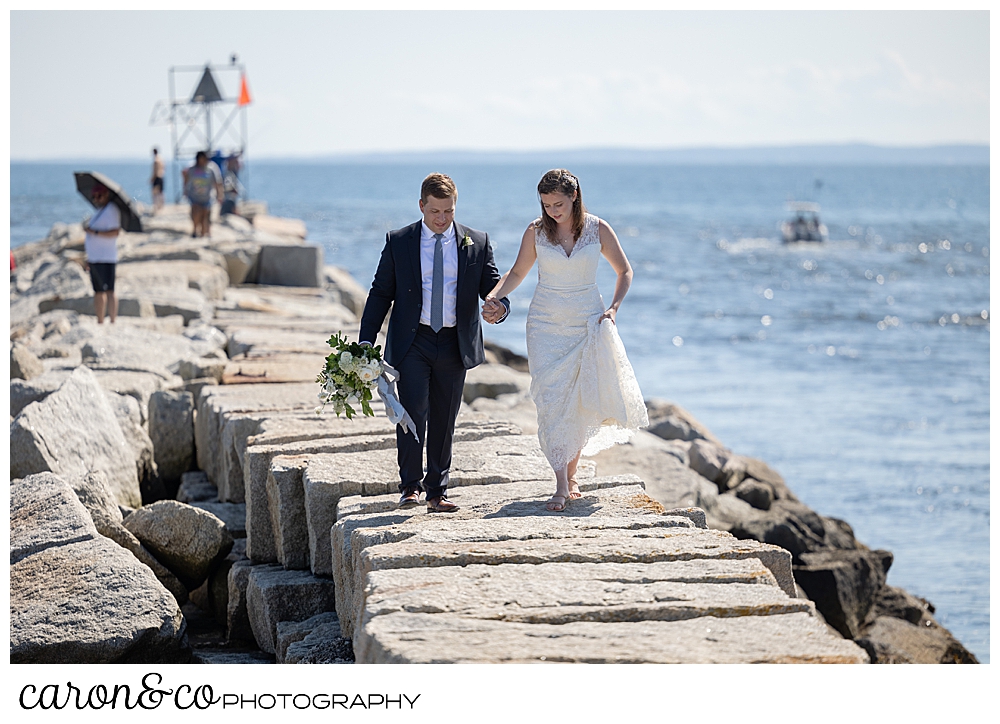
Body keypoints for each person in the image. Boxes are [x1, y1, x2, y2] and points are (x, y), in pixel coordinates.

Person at [483, 169, 648, 512]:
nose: (552, 211)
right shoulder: (535, 231)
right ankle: (560, 483)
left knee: (579, 402)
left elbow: (625, 271)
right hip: (545, 324)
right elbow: (516, 273)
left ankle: (570, 478)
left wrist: (614, 309)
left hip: (587, 321)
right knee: (553, 401)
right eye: (546, 204)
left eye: (558, 203)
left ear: (575, 196)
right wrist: (493, 297)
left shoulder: (598, 229)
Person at [358, 173, 510, 513]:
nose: (441, 219)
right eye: (435, 212)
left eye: (448, 212)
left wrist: (500, 308)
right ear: (421, 206)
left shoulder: (477, 241)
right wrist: (365, 342)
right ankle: (410, 486)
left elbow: (494, 288)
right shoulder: (400, 241)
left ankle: (437, 491)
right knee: (411, 412)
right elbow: (381, 293)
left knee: (445, 418)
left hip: (455, 342)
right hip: (414, 341)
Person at [82, 183, 122, 324]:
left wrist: (95, 232)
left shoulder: (111, 210)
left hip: (106, 257)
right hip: (95, 257)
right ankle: (100, 320)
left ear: (106, 195)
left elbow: (115, 232)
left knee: (108, 290)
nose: (96, 199)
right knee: (98, 291)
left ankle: (111, 320)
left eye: (99, 196)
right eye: (94, 197)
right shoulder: (101, 211)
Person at [183, 151, 223, 238]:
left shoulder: (212, 168)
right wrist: (185, 191)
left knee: (206, 215)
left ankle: (205, 232)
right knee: (196, 213)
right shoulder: (192, 168)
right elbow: (186, 178)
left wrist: (219, 194)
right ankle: (195, 229)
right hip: (194, 196)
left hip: (207, 197)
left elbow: (217, 182)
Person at [150, 147, 165, 213]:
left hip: (157, 177)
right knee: (161, 192)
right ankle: (161, 206)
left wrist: (152, 178)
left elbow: (155, 171)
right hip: (161, 176)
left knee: (155, 193)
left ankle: (156, 207)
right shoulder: (161, 159)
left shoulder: (156, 160)